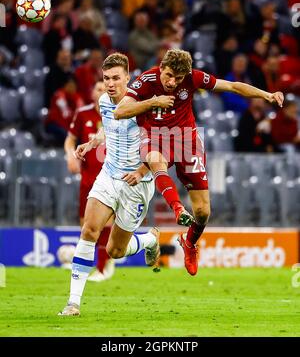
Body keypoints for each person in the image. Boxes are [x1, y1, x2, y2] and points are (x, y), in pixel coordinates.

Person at [114, 48, 284, 276]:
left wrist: (267, 95)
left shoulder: (194, 78)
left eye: (178, 78)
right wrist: (152, 102)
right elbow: (120, 111)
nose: (173, 82)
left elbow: (232, 86)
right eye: (169, 75)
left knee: (203, 212)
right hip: (155, 138)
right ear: (161, 68)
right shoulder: (147, 80)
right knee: (155, 160)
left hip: (187, 142)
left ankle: (190, 242)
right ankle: (177, 209)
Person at [59, 53, 166, 316]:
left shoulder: (143, 105)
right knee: (89, 230)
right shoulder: (104, 101)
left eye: (116, 78)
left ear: (127, 78)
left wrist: (142, 170)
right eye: (106, 78)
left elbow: (160, 146)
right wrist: (92, 143)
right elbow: (109, 127)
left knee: (116, 250)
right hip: (109, 174)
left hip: (136, 183)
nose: (110, 83)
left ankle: (149, 240)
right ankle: (73, 303)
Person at [64, 81, 115, 282]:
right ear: (92, 93)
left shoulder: (117, 113)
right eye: (98, 88)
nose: (102, 90)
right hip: (87, 179)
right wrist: (70, 155)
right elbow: (70, 139)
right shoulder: (83, 114)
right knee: (86, 224)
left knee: (106, 222)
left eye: (105, 88)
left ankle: (103, 267)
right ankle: (88, 265)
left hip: (110, 177)